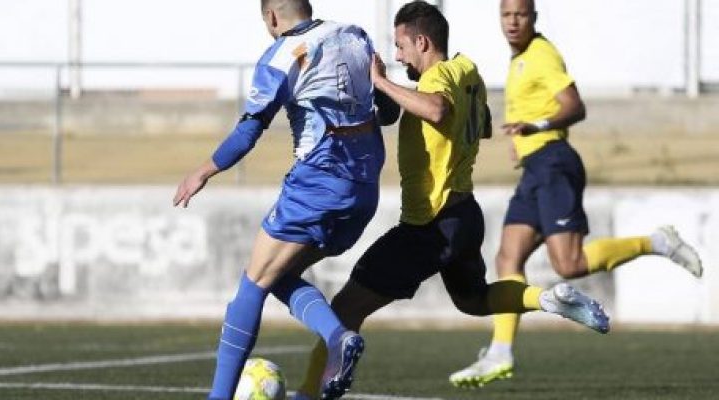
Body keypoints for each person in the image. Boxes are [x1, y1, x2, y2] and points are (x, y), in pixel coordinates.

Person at [291, 2, 611, 399]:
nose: (398, 56)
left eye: (401, 46)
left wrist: (380, 82)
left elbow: (437, 108)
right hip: (463, 216)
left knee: (344, 309)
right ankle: (549, 299)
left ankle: (306, 393)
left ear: (422, 42)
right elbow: (484, 124)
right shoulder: (467, 70)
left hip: (430, 223)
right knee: (473, 300)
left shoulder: (437, 79)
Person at [448, 0, 704, 388]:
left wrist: (537, 127)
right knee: (507, 258)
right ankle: (500, 352)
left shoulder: (542, 54)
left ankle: (656, 242)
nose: (513, 22)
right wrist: (522, 143)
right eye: (506, 15)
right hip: (535, 169)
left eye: (520, 14)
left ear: (534, 17)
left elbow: (575, 106)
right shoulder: (518, 60)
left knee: (568, 264)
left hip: (554, 164)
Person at [172, 1, 399, 399]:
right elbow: (390, 111)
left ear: (272, 17)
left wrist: (203, 171)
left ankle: (221, 395)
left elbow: (248, 132)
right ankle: (338, 338)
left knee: (253, 284)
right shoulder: (355, 37)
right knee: (277, 276)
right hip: (364, 191)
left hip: (317, 184)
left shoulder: (279, 57)